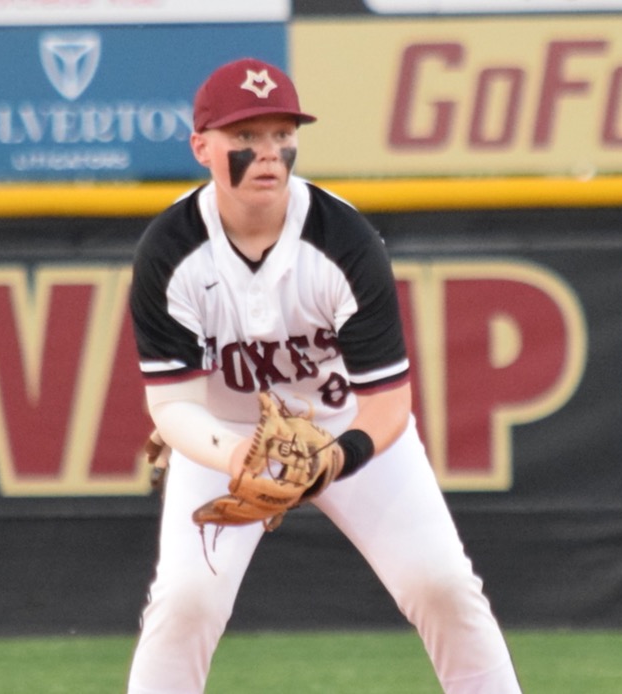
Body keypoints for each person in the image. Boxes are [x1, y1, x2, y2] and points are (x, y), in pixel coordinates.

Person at [127, 57, 522, 693]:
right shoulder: (171, 251)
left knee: (443, 584)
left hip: (344, 425)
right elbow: (173, 406)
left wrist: (335, 458)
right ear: (201, 148)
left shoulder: (343, 240)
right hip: (226, 435)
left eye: (282, 134)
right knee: (185, 602)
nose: (268, 152)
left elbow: (388, 402)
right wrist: (236, 455)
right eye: (246, 135)